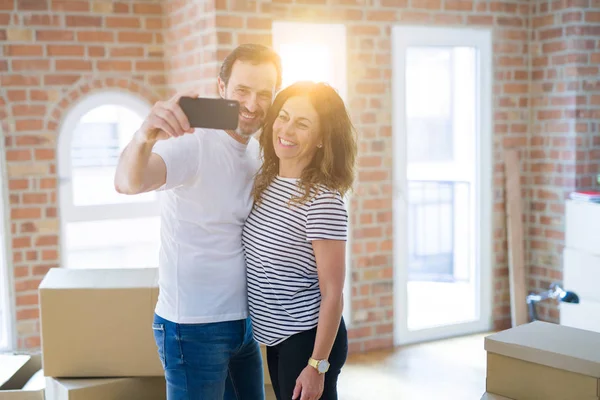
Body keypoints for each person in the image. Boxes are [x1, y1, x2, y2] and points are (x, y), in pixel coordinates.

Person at [114, 43, 282, 400]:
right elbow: (129, 182)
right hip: (192, 328)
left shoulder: (257, 150)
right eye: (242, 91)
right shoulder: (191, 143)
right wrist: (144, 135)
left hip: (243, 325)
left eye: (264, 94)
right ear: (221, 89)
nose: (253, 105)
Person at [242, 81, 357, 400]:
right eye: (284, 116)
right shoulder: (265, 182)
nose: (287, 129)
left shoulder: (323, 201)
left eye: (302, 124)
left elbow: (333, 293)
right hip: (277, 336)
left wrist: (317, 365)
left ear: (322, 139)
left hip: (308, 340)